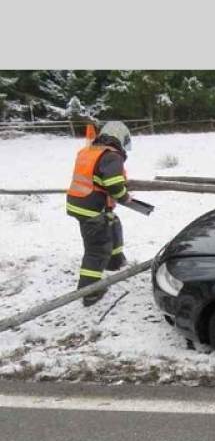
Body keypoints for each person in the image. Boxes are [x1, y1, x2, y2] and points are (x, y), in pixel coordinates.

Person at [66, 121, 133, 306]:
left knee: (113, 224)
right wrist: (125, 197)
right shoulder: (112, 156)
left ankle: (115, 261)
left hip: (79, 203)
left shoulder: (89, 151)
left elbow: (95, 178)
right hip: (92, 208)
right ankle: (90, 292)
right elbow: (114, 185)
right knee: (97, 250)